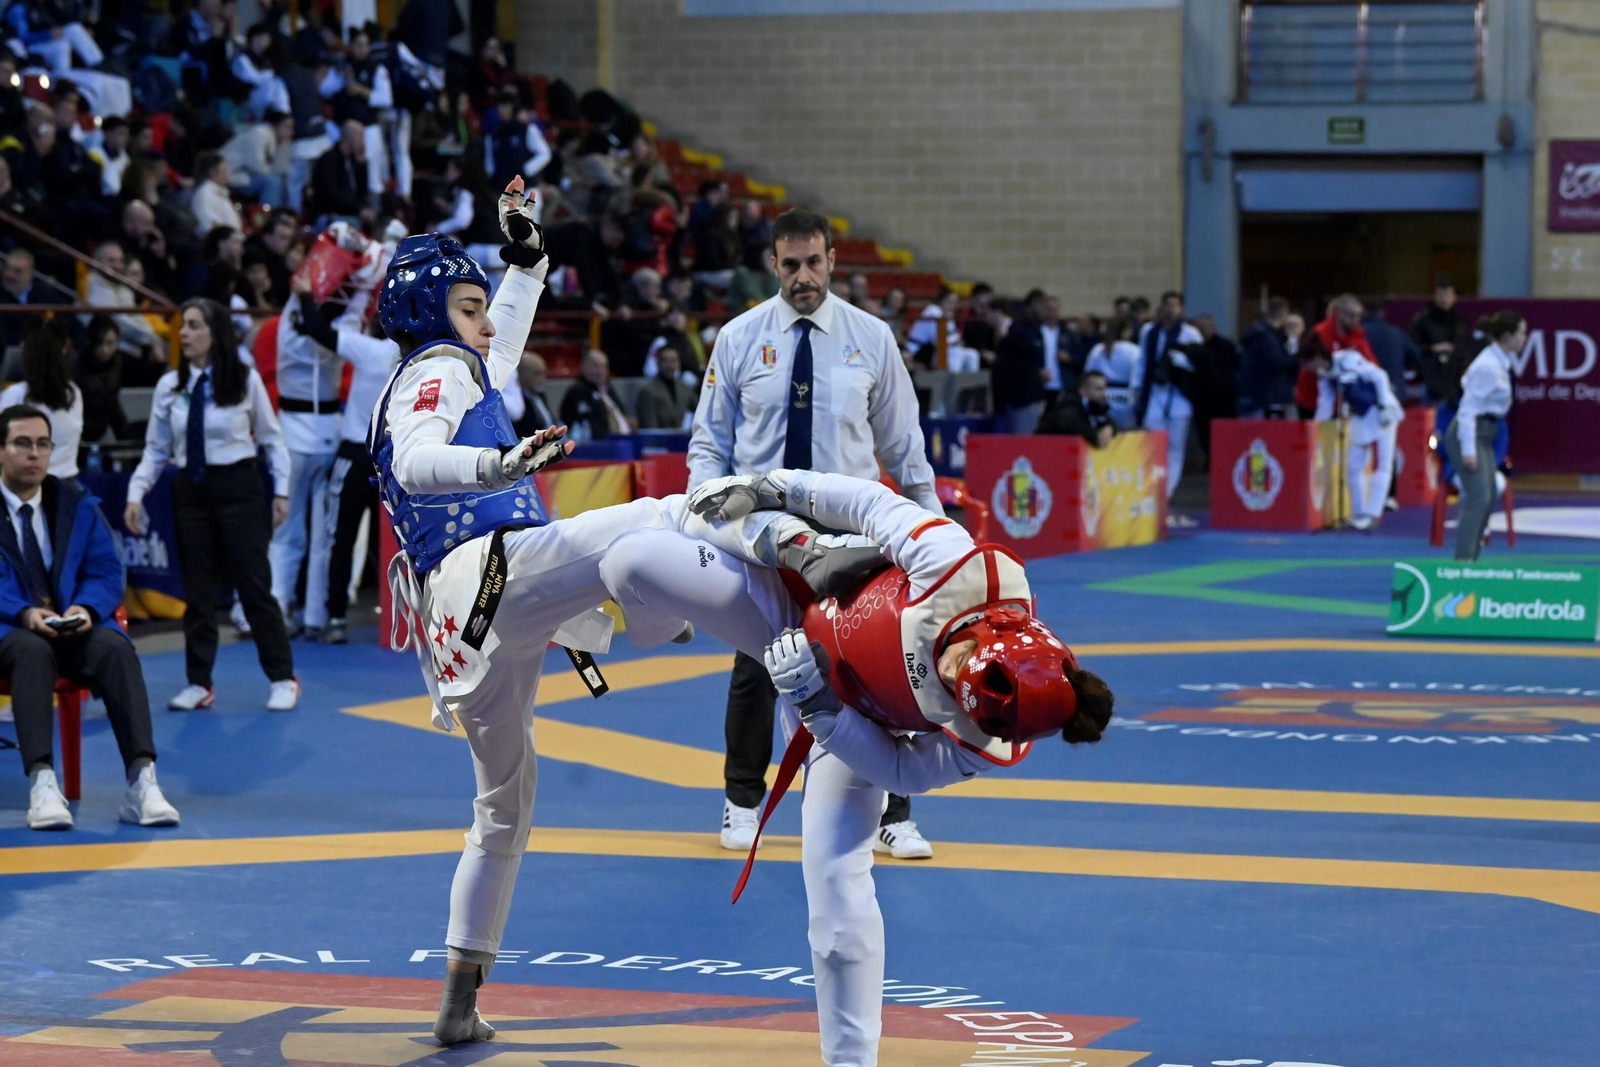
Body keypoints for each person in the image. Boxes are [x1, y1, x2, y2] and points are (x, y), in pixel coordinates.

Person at [367, 179, 762, 1046]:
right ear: (433, 310)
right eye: (468, 306)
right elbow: (423, 460)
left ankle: (460, 999)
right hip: (488, 576)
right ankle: (768, 626)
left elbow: (497, 350)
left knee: (504, 806)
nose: (484, 321)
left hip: (462, 630)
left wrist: (526, 261)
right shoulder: (433, 372)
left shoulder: (451, 368)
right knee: (653, 522)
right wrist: (498, 469)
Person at [596, 468, 1115, 1067]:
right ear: (992, 628)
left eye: (957, 687)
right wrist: (772, 488)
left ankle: (851, 1063)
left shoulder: (988, 741)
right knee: (630, 561)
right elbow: (868, 502)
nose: (950, 672)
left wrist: (820, 710)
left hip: (852, 726)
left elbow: (902, 772)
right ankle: (708, 588)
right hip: (790, 598)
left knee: (839, 893)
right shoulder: (954, 565)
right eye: (964, 659)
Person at [689, 207, 941, 862]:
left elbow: (904, 446)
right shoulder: (739, 338)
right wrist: (702, 517)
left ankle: (892, 810)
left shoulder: (872, 338)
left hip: (851, 529)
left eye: (814, 262)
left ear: (832, 261)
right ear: (774, 264)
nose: (803, 275)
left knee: (877, 665)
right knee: (756, 662)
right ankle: (742, 800)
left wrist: (928, 528)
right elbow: (708, 444)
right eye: (790, 263)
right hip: (760, 525)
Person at [0, 404, 180, 832]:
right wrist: (23, 613)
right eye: (22, 444)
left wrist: (86, 608)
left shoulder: (76, 503)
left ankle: (141, 781)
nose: (35, 454)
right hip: (10, 633)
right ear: (0, 451)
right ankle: (43, 783)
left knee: (115, 647)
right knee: (30, 651)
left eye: (43, 444)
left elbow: (106, 569)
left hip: (68, 628)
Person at [124, 299, 297, 711]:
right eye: (183, 326)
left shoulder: (245, 379)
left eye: (194, 326)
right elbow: (154, 450)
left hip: (240, 486)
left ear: (214, 333)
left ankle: (282, 677)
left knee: (254, 586)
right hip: (190, 491)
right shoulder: (170, 386)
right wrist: (135, 494)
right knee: (197, 593)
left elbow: (272, 440)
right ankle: (199, 683)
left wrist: (281, 492)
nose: (183, 334)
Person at [285, 273, 398, 644]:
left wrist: (303, 296)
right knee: (397, 543)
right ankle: (401, 619)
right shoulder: (416, 360)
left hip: (355, 456)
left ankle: (334, 617)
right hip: (395, 461)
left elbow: (318, 331)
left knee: (340, 539)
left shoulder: (371, 350)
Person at [269, 248, 346, 640]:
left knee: (316, 534)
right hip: (302, 432)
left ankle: (308, 612)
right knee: (293, 530)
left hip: (320, 431)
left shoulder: (328, 327)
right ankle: (279, 606)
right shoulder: (301, 324)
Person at [1304, 336, 1404, 532]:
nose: (1307, 368)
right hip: (1360, 415)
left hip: (1381, 410)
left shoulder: (1347, 359)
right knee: (1353, 466)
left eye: (1308, 363)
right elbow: (1325, 403)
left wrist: (1384, 403)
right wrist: (1316, 427)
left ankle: (1372, 514)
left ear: (1317, 357)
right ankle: (1358, 513)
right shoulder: (1323, 376)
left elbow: (1379, 376)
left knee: (1383, 464)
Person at [1444, 311, 1523, 561]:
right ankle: (1462, 564)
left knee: (1488, 497)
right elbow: (1467, 409)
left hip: (1486, 433)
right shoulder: (1487, 366)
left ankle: (1473, 558)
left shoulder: (1499, 361)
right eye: (1522, 332)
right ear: (1509, 335)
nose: (1525, 338)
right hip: (1470, 433)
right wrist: (1468, 449)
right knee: (1478, 498)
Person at [1135, 290, 1205, 505]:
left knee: (1175, 445)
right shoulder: (1149, 331)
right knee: (1154, 439)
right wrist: (1136, 388)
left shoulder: (1190, 333)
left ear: (1181, 309)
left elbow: (1200, 364)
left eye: (1175, 305)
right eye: (1167, 304)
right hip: (1155, 392)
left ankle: (1168, 490)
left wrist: (1181, 361)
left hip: (1179, 393)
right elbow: (1143, 361)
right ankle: (1154, 484)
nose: (1170, 309)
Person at [0, 319, 81, 479]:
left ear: (26, 352)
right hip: (63, 482)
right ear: (63, 351)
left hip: (35, 484)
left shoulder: (15, 394)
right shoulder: (74, 392)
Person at [1410, 275, 1472, 404]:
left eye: (1448, 294)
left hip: (1455, 380)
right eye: (1441, 294)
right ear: (1435, 296)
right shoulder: (1423, 319)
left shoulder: (1460, 321)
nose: (1444, 298)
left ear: (1454, 297)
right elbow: (1412, 347)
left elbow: (1464, 347)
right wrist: (1432, 349)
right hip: (1430, 378)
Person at [1237, 298, 1297, 418]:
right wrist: (1295, 360)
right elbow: (1276, 362)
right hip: (1266, 397)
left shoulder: (1257, 334)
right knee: (1267, 433)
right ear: (1283, 314)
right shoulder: (1268, 337)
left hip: (1253, 395)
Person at [77, 316, 130, 445]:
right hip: (77, 433)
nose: (104, 349)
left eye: (110, 343)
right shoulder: (76, 365)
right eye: (99, 343)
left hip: (100, 431)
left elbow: (113, 403)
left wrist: (126, 441)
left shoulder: (117, 363)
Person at [558, 348, 632, 440]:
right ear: (583, 367)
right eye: (595, 366)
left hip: (625, 443)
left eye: (604, 366)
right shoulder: (578, 392)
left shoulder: (608, 389)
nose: (600, 371)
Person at [1083, 316, 1142, 430]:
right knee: (1126, 438)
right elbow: (1137, 380)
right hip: (1126, 397)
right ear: (1125, 331)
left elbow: (1088, 375)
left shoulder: (1097, 349)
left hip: (1101, 396)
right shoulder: (1135, 351)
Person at [0, 248, 65, 349]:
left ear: (31, 273)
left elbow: (69, 319)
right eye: (7, 268)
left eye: (17, 271)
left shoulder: (44, 293)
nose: (9, 274)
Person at [1038, 370, 1116, 447]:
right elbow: (1094, 438)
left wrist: (1109, 427)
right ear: (1083, 391)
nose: (1104, 394)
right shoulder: (1069, 409)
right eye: (1098, 389)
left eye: (1104, 388)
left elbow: (1112, 424)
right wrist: (1100, 434)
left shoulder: (1094, 406)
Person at [635, 345, 692, 430]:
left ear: (679, 363)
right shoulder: (648, 391)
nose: (670, 365)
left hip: (681, 439)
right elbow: (650, 428)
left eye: (673, 361)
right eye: (665, 361)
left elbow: (700, 407)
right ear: (658, 363)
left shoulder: (684, 388)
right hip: (658, 441)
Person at [509, 351, 556, 438]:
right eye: (537, 374)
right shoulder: (516, 402)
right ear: (522, 374)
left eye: (544, 373)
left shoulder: (541, 396)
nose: (542, 378)